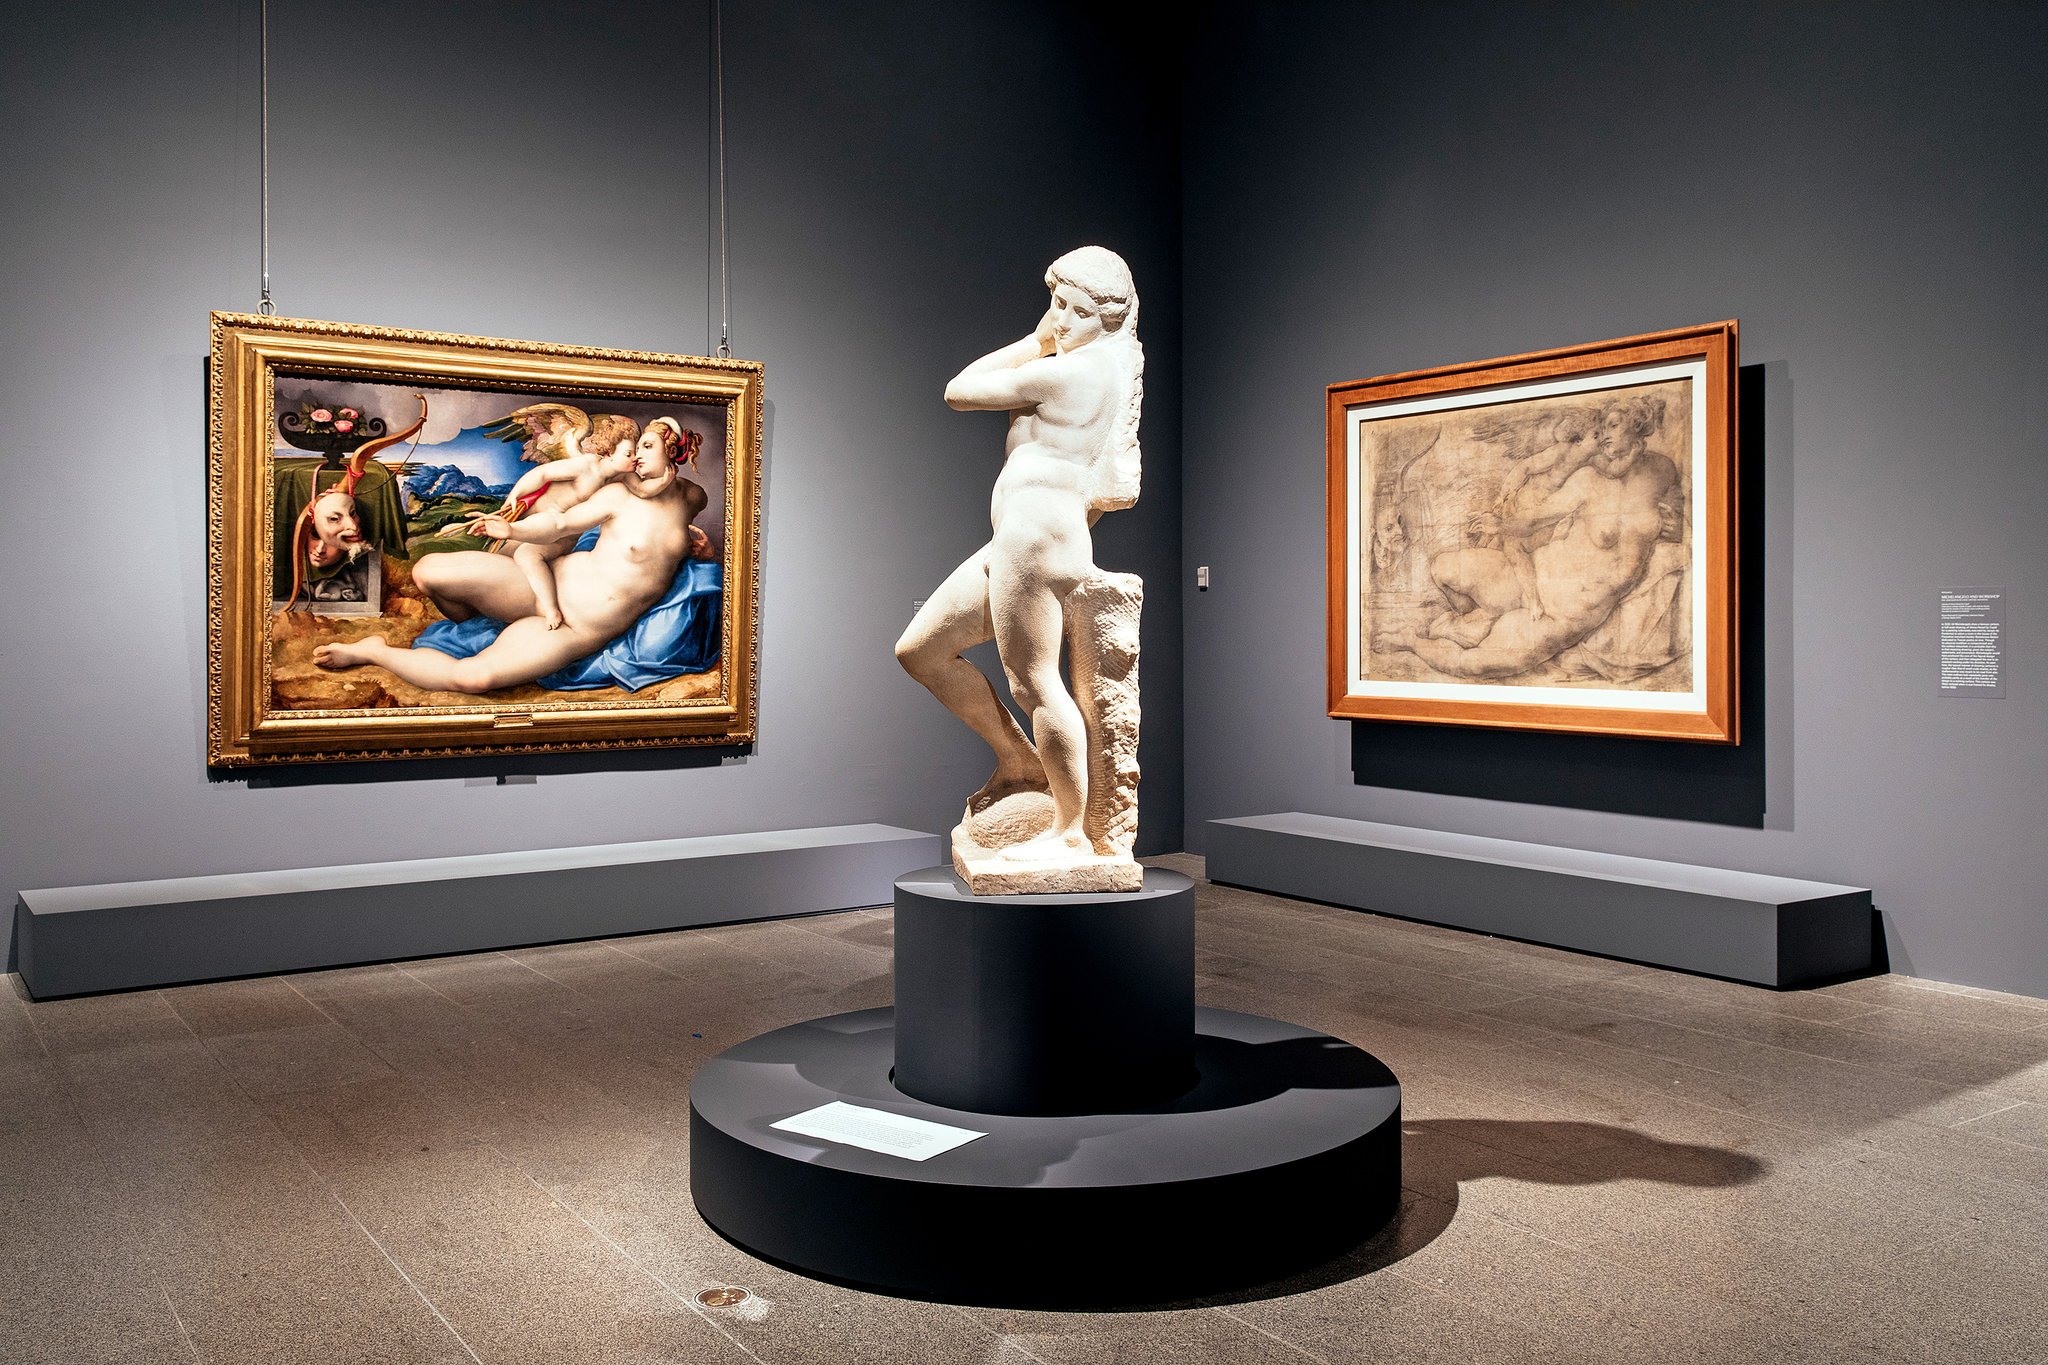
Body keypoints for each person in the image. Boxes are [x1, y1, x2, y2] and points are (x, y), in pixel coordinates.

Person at [895, 246, 1143, 863]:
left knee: (1034, 683)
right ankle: (1019, 760)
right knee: (920, 651)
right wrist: (1052, 333)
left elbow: (959, 390)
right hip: (1015, 538)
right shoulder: (1080, 366)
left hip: (1038, 537)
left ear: (1108, 319)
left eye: (1076, 310)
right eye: (1055, 303)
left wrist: (1036, 341)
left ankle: (1070, 832)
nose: (1061, 320)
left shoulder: (1073, 372)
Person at [313, 419, 708, 692]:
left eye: (647, 447)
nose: (637, 456)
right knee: (428, 571)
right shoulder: (617, 493)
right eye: (636, 448)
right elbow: (559, 524)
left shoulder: (693, 497)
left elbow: (668, 536)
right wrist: (513, 530)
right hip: (545, 583)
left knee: (473, 678)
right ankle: (481, 622)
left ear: (672, 452)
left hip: (574, 626)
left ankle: (375, 652)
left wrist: (703, 551)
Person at [1394, 392, 1682, 680]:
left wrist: (1680, 528)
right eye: (1603, 427)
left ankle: (1412, 642)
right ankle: (1474, 619)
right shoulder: (1588, 479)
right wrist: (1501, 524)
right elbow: (1535, 518)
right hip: (1530, 576)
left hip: (1564, 614)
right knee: (1442, 567)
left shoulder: (1663, 471)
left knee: (1475, 665)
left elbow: (1690, 513)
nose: (1605, 434)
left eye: (1614, 425)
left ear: (1637, 427)